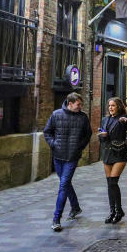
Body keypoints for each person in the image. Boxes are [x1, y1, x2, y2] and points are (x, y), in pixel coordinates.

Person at [43, 92, 92, 232]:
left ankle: (56, 219)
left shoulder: (83, 117)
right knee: (66, 183)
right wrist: (53, 144)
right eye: (78, 104)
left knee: (63, 185)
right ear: (70, 104)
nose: (80, 107)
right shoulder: (56, 114)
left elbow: (88, 134)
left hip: (72, 157)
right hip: (58, 156)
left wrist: (79, 147)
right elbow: (47, 132)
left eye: (81, 104)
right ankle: (75, 207)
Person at [98, 97, 127, 223]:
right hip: (107, 152)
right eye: (109, 105)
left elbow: (124, 121)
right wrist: (102, 135)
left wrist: (123, 120)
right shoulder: (104, 120)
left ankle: (119, 210)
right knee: (109, 183)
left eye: (113, 105)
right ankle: (112, 212)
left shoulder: (122, 119)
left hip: (119, 152)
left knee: (113, 182)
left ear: (119, 107)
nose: (111, 108)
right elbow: (102, 138)